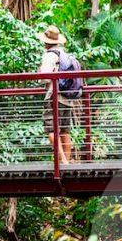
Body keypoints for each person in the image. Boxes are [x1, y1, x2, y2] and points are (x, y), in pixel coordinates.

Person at [38, 25, 82, 164]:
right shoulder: (65, 55)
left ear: (46, 42)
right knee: (64, 131)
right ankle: (67, 162)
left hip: (54, 97)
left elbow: (44, 77)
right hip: (67, 99)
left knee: (51, 130)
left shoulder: (50, 55)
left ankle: (63, 161)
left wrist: (39, 75)